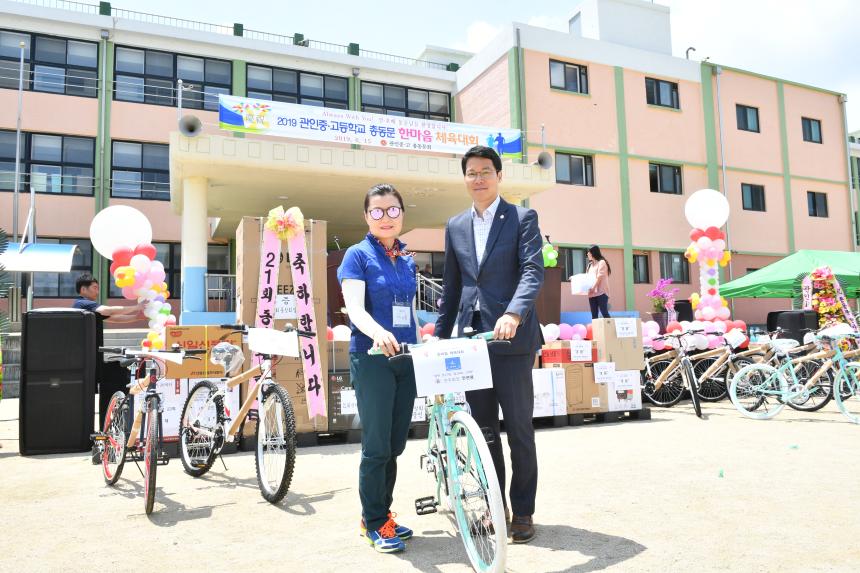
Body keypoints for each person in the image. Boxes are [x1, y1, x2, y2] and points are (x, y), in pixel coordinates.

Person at [436, 145, 544, 543]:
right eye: (471, 172)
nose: (478, 178)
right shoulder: (455, 225)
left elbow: (533, 271)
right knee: (483, 434)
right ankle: (494, 506)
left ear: (499, 176)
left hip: (512, 340)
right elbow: (452, 286)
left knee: (519, 430)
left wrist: (514, 313)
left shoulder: (521, 217)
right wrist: (439, 334)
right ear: (465, 179)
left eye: (485, 171)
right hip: (470, 341)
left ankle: (524, 510)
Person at [337, 184, 419, 554]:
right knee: (376, 446)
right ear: (366, 216)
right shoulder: (357, 256)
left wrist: (422, 338)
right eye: (377, 211)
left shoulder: (407, 259)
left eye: (392, 210)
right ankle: (372, 522)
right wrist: (379, 333)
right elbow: (355, 309)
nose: (386, 217)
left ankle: (382, 513)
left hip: (406, 358)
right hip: (371, 359)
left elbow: (410, 310)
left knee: (396, 443)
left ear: (402, 213)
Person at [72, 274, 143, 441]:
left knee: (113, 381)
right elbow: (107, 310)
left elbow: (114, 317)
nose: (97, 291)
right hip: (86, 360)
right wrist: (135, 307)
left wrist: (136, 316)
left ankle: (109, 428)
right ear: (83, 289)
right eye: (95, 288)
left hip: (94, 359)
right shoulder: (81, 303)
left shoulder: (90, 308)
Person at [586, 245, 611, 319]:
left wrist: (593, 288)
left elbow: (599, 277)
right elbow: (586, 278)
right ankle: (596, 330)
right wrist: (575, 279)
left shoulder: (602, 262)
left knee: (604, 312)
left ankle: (610, 329)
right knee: (594, 315)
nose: (587, 254)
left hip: (601, 292)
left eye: (588, 252)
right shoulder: (589, 265)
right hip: (592, 293)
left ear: (593, 253)